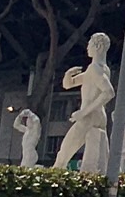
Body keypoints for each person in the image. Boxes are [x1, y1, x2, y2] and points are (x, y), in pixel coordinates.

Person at [49, 33, 116, 174]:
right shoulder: (101, 68)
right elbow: (69, 84)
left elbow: (109, 92)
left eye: (90, 44)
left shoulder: (95, 68)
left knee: (64, 152)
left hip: (89, 117)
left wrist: (83, 112)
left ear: (97, 47)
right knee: (97, 152)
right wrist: (68, 75)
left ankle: (54, 177)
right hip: (99, 116)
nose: (87, 47)